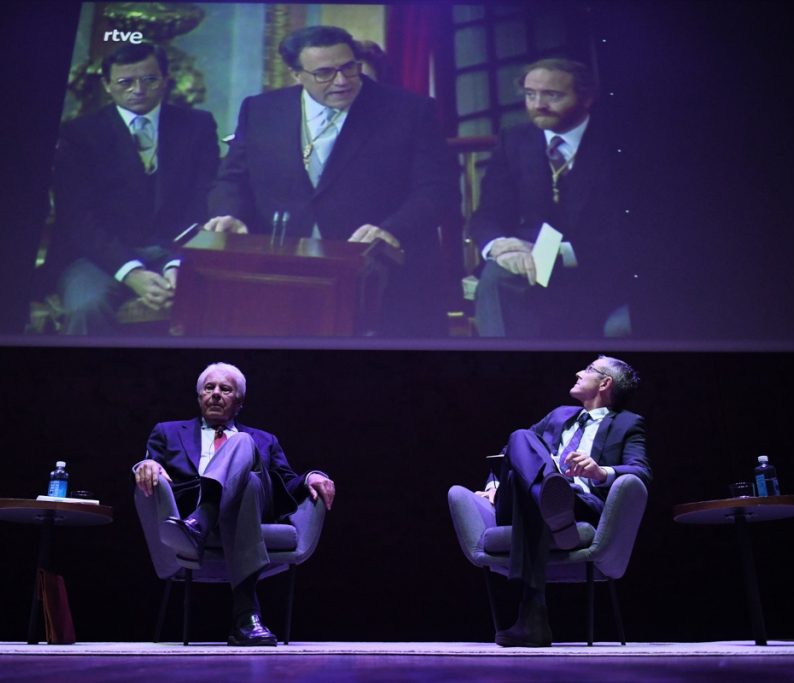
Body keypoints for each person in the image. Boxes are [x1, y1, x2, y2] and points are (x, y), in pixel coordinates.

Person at [203, 25, 459, 336]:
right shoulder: (261, 110)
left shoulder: (410, 110)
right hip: (284, 275)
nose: (342, 81)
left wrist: (391, 229)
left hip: (382, 278)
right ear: (296, 74)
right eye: (324, 72)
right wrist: (229, 214)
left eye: (349, 67)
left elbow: (437, 190)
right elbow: (232, 179)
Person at [134, 362, 336, 646]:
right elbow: (149, 461)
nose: (215, 394)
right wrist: (145, 464)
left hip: (229, 513)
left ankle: (201, 523)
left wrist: (313, 476)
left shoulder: (263, 440)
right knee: (248, 486)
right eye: (209, 388)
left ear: (239, 402)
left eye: (225, 389)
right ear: (199, 397)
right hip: (202, 502)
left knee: (242, 442)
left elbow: (288, 482)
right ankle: (246, 617)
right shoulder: (168, 432)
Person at [478, 355, 651, 647]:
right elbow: (510, 452)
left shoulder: (627, 424)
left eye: (589, 369)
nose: (579, 372)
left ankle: (532, 618)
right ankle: (547, 494)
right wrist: (493, 485)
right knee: (521, 436)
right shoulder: (559, 415)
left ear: (605, 383)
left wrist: (600, 471)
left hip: (576, 502)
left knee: (530, 502)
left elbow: (641, 471)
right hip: (553, 509)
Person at [51, 43, 220, 335]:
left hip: (175, 249)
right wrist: (130, 271)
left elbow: (204, 200)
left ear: (166, 80)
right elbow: (77, 220)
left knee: (225, 301)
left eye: (149, 80)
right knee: (87, 306)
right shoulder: (79, 134)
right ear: (107, 85)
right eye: (125, 82)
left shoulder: (197, 126)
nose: (138, 90)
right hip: (95, 257)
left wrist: (178, 262)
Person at [470, 58, 635, 339]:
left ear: (586, 99)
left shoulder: (619, 142)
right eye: (530, 94)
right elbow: (488, 214)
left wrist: (558, 254)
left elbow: (632, 225)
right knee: (497, 277)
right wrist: (501, 247)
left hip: (602, 267)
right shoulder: (514, 140)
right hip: (532, 264)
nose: (538, 105)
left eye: (553, 95)